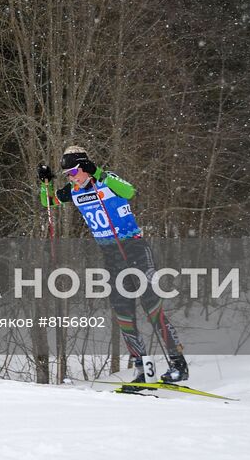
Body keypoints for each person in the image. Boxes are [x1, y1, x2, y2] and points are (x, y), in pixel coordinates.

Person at [38, 146, 188, 388]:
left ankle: (178, 365)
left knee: (151, 306)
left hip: (135, 249)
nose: (71, 177)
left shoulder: (106, 180)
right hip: (111, 255)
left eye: (74, 171)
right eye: (67, 173)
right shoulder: (74, 191)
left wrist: (97, 172)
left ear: (85, 167)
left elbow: (129, 191)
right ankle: (143, 369)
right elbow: (47, 201)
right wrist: (44, 182)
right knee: (123, 313)